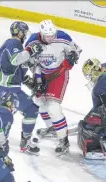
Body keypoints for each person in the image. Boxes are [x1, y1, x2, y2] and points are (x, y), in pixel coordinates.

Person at [24, 19, 82, 153]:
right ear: (41, 34)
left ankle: (64, 140)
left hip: (59, 74)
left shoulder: (63, 37)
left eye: (52, 35)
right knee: (40, 102)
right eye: (47, 36)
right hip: (42, 74)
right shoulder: (32, 42)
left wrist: (72, 58)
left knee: (53, 107)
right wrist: (38, 80)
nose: (50, 38)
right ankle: (53, 128)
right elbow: (32, 63)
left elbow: (77, 50)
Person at [0, 21, 43, 155]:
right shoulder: (14, 43)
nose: (25, 35)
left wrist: (27, 80)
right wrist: (31, 50)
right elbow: (15, 60)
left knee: (0, 114)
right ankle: (25, 143)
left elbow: (14, 68)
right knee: (31, 110)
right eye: (24, 32)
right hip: (7, 88)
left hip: (0, 86)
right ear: (19, 32)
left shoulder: (16, 47)